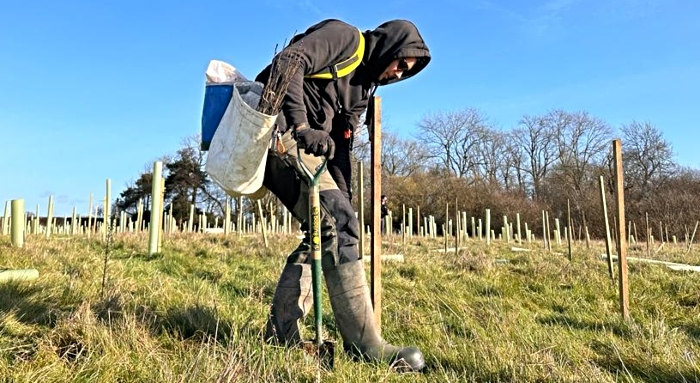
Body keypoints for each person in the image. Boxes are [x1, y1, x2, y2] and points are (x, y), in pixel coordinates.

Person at [256, 18, 430, 372]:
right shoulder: (346, 39)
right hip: (278, 133)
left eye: (407, 72)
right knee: (336, 224)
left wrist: (346, 204)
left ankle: (281, 331)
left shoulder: (363, 90)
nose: (399, 73)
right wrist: (302, 125)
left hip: (302, 146)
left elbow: (340, 153)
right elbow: (288, 62)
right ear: (392, 48)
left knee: (331, 229)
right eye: (401, 63)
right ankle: (366, 346)